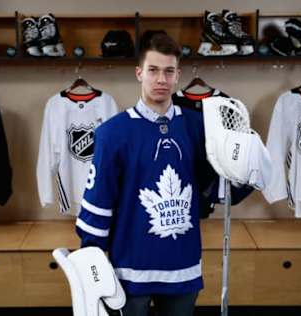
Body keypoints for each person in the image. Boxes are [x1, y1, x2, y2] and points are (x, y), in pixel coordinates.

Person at [75, 33, 247, 316]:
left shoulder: (200, 128)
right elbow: (99, 201)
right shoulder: (112, 133)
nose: (161, 79)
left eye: (169, 71)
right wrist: (93, 260)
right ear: (139, 73)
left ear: (178, 74)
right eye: (153, 70)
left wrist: (249, 173)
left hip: (182, 264)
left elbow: (220, 189)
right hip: (130, 267)